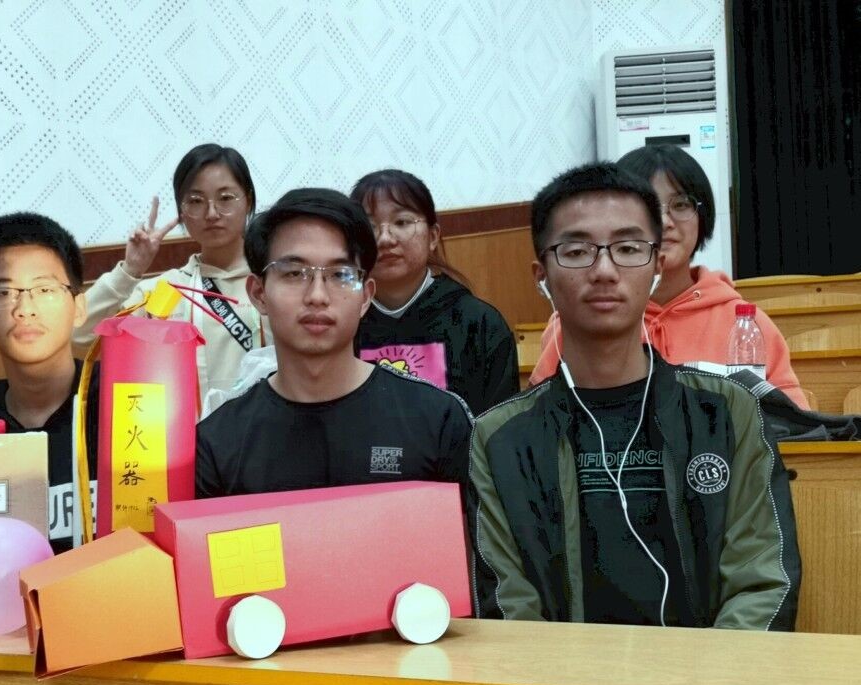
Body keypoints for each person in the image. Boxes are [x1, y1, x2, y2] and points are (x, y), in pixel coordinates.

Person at [471, 163, 801, 629]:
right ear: (541, 274)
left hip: (711, 673)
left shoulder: (727, 412)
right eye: (577, 251)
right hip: (560, 674)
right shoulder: (500, 439)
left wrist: (709, 676)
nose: (604, 271)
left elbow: (762, 582)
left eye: (628, 249)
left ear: (656, 265)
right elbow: (508, 605)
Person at [196, 187, 471, 498]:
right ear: (259, 294)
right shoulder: (217, 442)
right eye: (294, 273)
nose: (317, 296)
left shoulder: (438, 419)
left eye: (340, 275)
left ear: (365, 296)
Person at [529, 145, 809, 410]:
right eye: (651, 206)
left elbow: (793, 425)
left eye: (681, 205)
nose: (665, 221)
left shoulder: (747, 324)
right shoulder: (580, 320)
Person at [0, 213, 97, 553]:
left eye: (44, 289)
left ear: (79, 307)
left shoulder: (129, 415)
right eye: (2, 292)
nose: (25, 309)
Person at [74, 143, 270, 400]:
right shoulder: (164, 290)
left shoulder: (273, 284)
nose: (212, 213)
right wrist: (130, 271)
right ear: (181, 212)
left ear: (248, 201)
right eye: (196, 201)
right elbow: (77, 338)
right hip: (185, 426)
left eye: (225, 198)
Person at [349, 169, 519, 416]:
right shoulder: (344, 324)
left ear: (432, 236)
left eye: (402, 222)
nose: (385, 238)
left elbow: (499, 426)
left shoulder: (480, 323)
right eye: (369, 226)